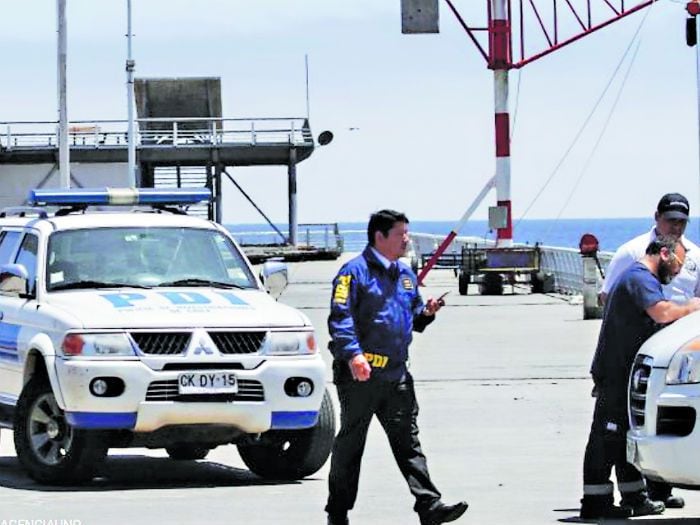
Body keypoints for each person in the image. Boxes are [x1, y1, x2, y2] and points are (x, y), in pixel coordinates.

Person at [324, 209, 468, 525]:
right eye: (401, 233)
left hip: (397, 375)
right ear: (380, 236)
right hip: (360, 376)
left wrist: (427, 312)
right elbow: (340, 318)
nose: (407, 239)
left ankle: (430, 506)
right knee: (351, 445)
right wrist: (353, 355)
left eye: (407, 233)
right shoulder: (354, 273)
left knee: (409, 443)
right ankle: (338, 512)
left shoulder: (405, 275)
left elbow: (413, 317)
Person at [580, 235, 700, 520]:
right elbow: (662, 313)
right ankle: (595, 500)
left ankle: (634, 496)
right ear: (665, 253)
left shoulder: (643, 278)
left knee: (626, 436)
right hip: (616, 371)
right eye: (678, 265)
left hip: (629, 372)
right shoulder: (639, 277)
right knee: (606, 436)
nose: (677, 272)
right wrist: (693, 307)